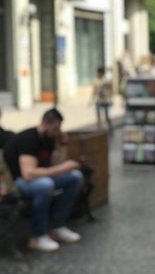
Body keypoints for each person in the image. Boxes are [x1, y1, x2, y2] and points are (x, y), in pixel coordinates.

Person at [2, 108, 83, 252]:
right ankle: (37, 235)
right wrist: (62, 168)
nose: (57, 132)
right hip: (16, 182)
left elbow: (55, 164)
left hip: (38, 176)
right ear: (45, 124)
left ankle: (57, 226)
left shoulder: (49, 137)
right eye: (55, 129)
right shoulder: (29, 139)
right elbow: (28, 174)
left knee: (74, 177)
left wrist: (62, 144)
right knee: (45, 185)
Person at [91, 67, 113, 133]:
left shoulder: (106, 80)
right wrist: (92, 99)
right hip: (98, 100)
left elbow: (110, 89)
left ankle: (111, 129)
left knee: (106, 116)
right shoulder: (95, 80)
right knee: (98, 116)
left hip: (105, 100)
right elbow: (94, 90)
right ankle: (98, 131)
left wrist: (110, 98)